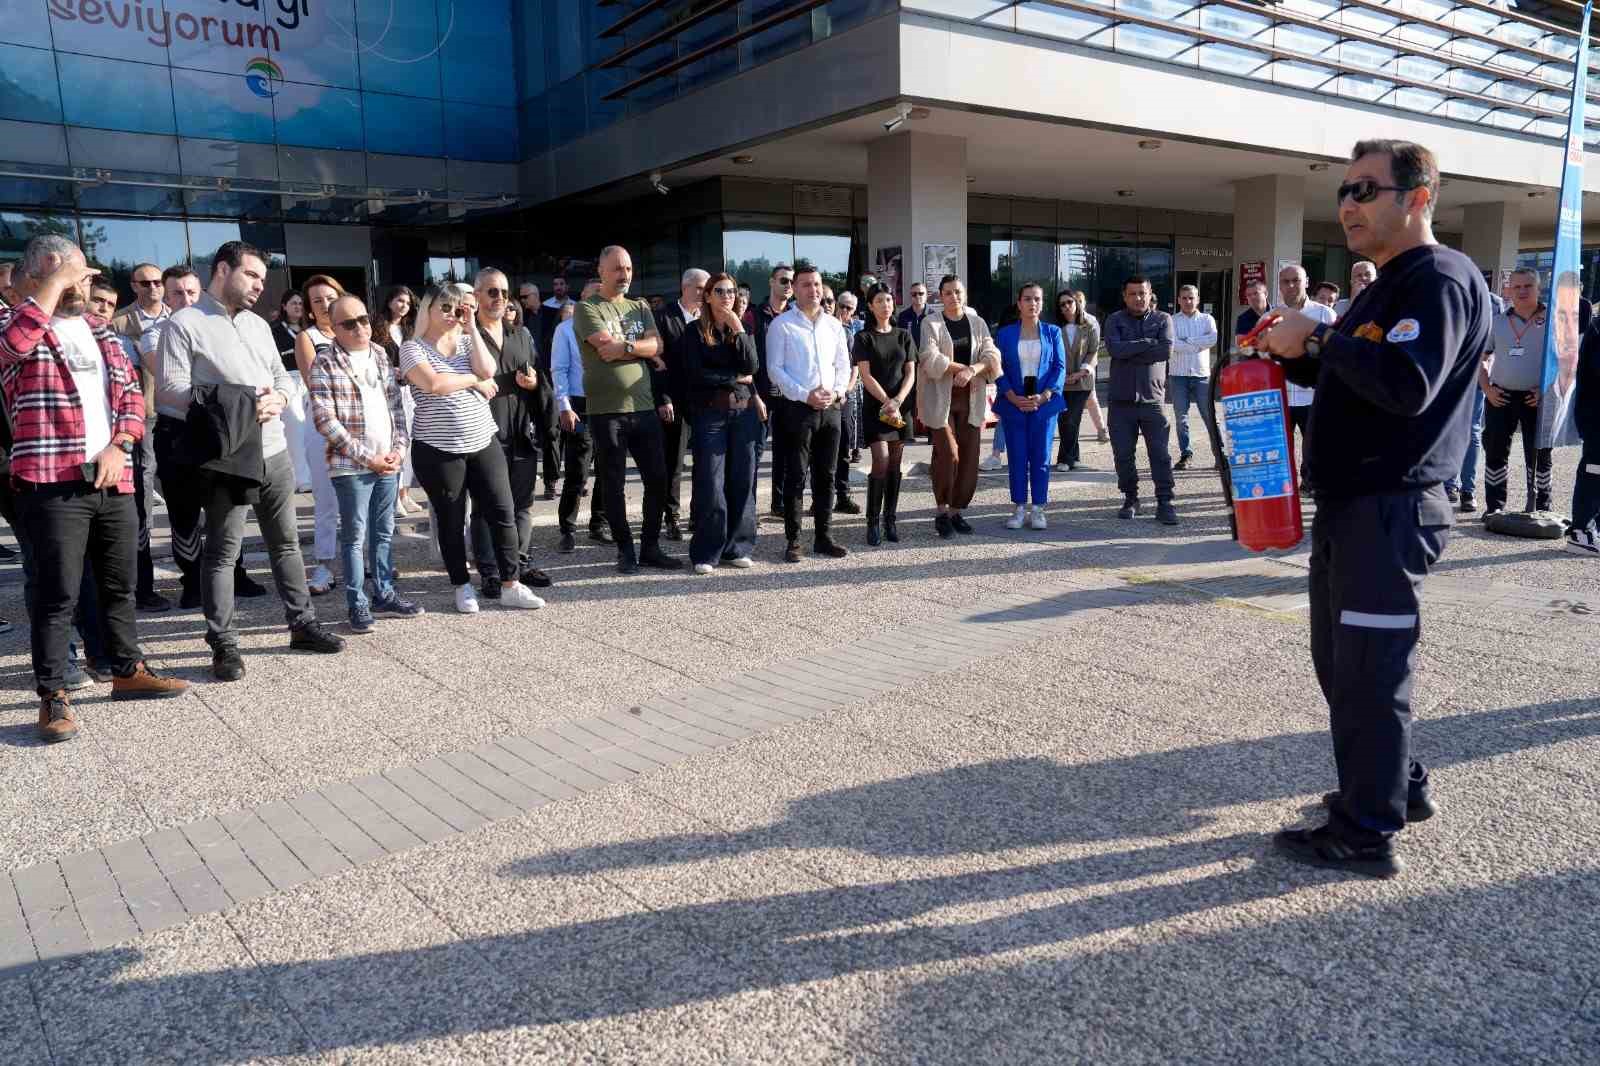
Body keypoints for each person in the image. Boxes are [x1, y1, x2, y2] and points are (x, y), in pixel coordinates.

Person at [1256, 138, 1492, 878]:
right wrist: (1301, 353)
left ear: (1419, 197)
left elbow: (1407, 383)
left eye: (1366, 190)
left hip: (1392, 510)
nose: (1349, 204)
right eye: (1344, 192)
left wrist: (1320, 335)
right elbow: (1362, 374)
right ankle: (1397, 786)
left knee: (1369, 669)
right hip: (1355, 508)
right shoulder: (1386, 285)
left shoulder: (1439, 279)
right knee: (1344, 665)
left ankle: (1364, 834)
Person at [1, 236, 189, 740]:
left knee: (118, 583)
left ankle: (126, 671)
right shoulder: (12, 321)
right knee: (57, 592)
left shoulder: (100, 331)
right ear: (47, 269)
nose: (86, 283)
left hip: (113, 477)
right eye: (78, 274)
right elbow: (12, 348)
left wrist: (120, 445)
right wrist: (56, 282)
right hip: (51, 479)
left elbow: (130, 394)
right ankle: (53, 694)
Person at [156, 241, 346, 681]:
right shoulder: (183, 324)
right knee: (223, 552)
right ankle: (223, 645)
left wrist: (278, 395)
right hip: (227, 456)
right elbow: (169, 393)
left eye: (264, 278)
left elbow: (281, 378)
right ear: (223, 269)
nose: (261, 285)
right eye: (253, 275)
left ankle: (301, 624)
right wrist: (241, 405)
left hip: (275, 449)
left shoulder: (260, 325)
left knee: (286, 544)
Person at [401, 282, 547, 611]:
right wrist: (474, 382)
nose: (453, 314)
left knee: (503, 511)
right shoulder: (414, 348)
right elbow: (435, 384)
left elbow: (488, 369)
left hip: (482, 439)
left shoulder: (468, 340)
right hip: (437, 447)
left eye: (459, 308)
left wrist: (472, 330)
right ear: (428, 309)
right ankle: (461, 584)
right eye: (445, 308)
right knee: (452, 519)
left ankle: (511, 583)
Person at [309, 295, 423, 632]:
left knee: (384, 532)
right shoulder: (325, 362)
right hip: (351, 466)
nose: (360, 327)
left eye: (363, 319)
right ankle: (357, 603)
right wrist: (367, 457)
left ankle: (384, 594)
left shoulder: (380, 354)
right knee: (355, 537)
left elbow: (396, 408)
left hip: (388, 461)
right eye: (349, 323)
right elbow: (324, 420)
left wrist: (399, 450)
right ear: (333, 327)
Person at [573, 246, 683, 574]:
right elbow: (605, 349)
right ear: (602, 270)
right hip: (607, 411)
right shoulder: (586, 308)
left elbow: (658, 346)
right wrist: (642, 351)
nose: (625, 275)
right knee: (613, 482)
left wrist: (628, 347)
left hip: (644, 406)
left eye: (629, 269)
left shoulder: (640, 307)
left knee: (658, 479)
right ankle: (625, 550)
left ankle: (650, 547)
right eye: (618, 268)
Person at [466, 268, 552, 597]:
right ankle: (490, 571)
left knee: (522, 505)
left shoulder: (520, 335)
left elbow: (535, 375)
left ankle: (518, 563)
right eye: (491, 292)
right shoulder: (466, 337)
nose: (498, 298)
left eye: (503, 292)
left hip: (521, 431)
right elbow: (468, 381)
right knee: (487, 507)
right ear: (475, 297)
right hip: (484, 434)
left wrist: (532, 384)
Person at [91, 278, 169, 613]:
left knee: (137, 513)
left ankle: (142, 587)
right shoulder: (60, 338)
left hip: (123, 444)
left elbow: (132, 397)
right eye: (96, 300)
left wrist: (123, 440)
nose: (101, 309)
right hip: (77, 451)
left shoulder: (119, 343)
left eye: (108, 304)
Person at [767, 261, 853, 562]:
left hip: (830, 410)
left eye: (817, 284)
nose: (813, 290)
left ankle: (824, 537)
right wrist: (806, 395)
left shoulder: (834, 325)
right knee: (795, 476)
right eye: (806, 284)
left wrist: (839, 392)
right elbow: (775, 370)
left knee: (826, 475)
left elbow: (843, 365)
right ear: (795, 289)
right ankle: (794, 540)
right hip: (797, 410)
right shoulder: (782, 325)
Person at [683, 272, 760, 572]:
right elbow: (696, 374)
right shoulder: (694, 332)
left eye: (731, 291)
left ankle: (737, 547)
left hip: (743, 413)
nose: (727, 296)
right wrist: (734, 378)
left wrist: (739, 328)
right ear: (708, 296)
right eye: (720, 291)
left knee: (743, 478)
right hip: (710, 415)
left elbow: (753, 366)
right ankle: (706, 551)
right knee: (711, 482)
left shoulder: (738, 328)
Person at [919, 274, 1002, 538]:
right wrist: (961, 369)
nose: (954, 297)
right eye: (948, 293)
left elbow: (992, 354)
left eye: (958, 292)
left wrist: (974, 369)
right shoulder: (930, 323)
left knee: (969, 456)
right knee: (948, 452)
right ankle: (941, 510)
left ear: (964, 294)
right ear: (940, 296)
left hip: (972, 397)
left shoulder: (977, 323)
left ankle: (956, 510)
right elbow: (929, 357)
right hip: (942, 398)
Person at [1104, 275, 1179, 525]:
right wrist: (1147, 343)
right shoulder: (1115, 320)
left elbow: (1164, 351)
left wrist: (1131, 349)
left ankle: (1165, 501)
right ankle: (1130, 497)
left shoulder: (1163, 319)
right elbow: (1115, 350)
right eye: (1133, 293)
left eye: (1142, 293)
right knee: (1123, 455)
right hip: (1120, 402)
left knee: (1159, 454)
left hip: (1153, 401)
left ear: (1150, 294)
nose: (1138, 298)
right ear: (1125, 296)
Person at [1478, 268, 1553, 516]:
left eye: (1528, 286)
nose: (1521, 291)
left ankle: (1542, 506)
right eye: (1517, 286)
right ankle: (1495, 506)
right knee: (1496, 451)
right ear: (1509, 290)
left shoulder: (1552, 320)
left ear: (1538, 289)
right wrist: (1487, 389)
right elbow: (1479, 359)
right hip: (1501, 396)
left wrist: (1546, 390)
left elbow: (1565, 361)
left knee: (1539, 454)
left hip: (1537, 398)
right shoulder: (1497, 321)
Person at [993, 283, 1067, 531]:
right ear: (1019, 303)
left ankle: (1038, 509)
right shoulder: (1004, 334)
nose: (1032, 303)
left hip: (1043, 405)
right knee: (1017, 456)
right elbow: (996, 367)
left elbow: (1059, 367)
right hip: (1014, 403)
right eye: (1027, 299)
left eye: (1037, 299)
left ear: (1042, 303)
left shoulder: (1053, 332)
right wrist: (1012, 396)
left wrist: (1045, 395)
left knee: (1041, 457)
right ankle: (1019, 508)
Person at [293, 275, 348, 595]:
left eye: (331, 297)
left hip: (361, 428)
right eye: (317, 301)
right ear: (310, 310)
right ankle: (325, 567)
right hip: (324, 428)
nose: (326, 304)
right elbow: (317, 381)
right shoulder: (308, 337)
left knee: (362, 501)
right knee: (327, 501)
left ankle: (367, 562)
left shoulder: (357, 332)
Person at [854, 282, 916, 546]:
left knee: (895, 464)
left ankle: (890, 519)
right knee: (880, 459)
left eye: (888, 300)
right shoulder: (863, 338)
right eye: (879, 300)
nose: (885, 305)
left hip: (901, 408)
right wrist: (887, 401)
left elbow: (911, 372)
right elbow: (865, 376)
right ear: (870, 305)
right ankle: (872, 521)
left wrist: (898, 400)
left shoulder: (904, 335)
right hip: (876, 408)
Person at [651, 268, 709, 542]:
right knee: (673, 462)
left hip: (703, 402)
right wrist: (663, 398)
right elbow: (656, 363)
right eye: (699, 288)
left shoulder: (708, 318)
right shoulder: (663, 317)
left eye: (706, 288)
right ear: (684, 287)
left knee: (704, 460)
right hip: (673, 401)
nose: (703, 293)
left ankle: (698, 515)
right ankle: (671, 516)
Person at [553, 279, 609, 553]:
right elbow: (559, 369)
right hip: (579, 404)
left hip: (610, 403)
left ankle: (598, 525)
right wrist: (564, 405)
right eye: (591, 296)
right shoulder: (565, 330)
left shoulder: (612, 327)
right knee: (578, 471)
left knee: (608, 469)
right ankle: (567, 529)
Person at [1274, 264, 1337, 495]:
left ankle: (1310, 481)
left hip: (1313, 396)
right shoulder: (1273, 316)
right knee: (1281, 446)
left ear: (1307, 282)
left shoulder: (1324, 314)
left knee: (1314, 446)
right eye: (1285, 281)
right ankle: (1285, 486)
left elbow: (1335, 356)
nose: (1290, 286)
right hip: (1281, 394)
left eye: (1296, 281)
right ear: (1279, 285)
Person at [374, 284, 421, 516]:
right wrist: (390, 370)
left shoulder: (410, 329)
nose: (404, 306)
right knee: (394, 441)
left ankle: (405, 493)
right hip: (386, 390)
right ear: (390, 300)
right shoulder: (377, 326)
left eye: (408, 303)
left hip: (408, 390)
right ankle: (393, 497)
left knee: (408, 442)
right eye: (400, 301)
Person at [755, 264, 794, 518]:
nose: (788, 285)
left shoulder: (796, 315)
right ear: (771, 282)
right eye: (783, 280)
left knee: (786, 452)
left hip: (789, 394)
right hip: (760, 394)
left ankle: (779, 504)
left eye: (791, 281)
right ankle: (749, 511)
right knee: (755, 454)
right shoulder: (755, 315)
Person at [1168, 284, 1217, 471]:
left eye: (1191, 298)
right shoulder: (1171, 320)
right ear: (1179, 299)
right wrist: (1197, 343)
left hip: (1201, 375)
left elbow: (1212, 339)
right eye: (1184, 298)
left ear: (1197, 299)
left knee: (1210, 416)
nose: (1188, 301)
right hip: (1178, 376)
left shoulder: (1207, 319)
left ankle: (1219, 455)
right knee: (1181, 419)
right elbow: (1172, 345)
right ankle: (1185, 454)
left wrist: (1186, 341)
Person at [1053, 290, 1103, 471]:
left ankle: (1065, 460)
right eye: (1062, 304)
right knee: (1064, 419)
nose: (1066, 307)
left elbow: (1093, 351)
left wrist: (1081, 372)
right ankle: (1072, 456)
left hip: (1082, 382)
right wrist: (1062, 376)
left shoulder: (1089, 326)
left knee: (1072, 419)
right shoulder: (1055, 328)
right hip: (1061, 381)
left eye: (1069, 302)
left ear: (1077, 303)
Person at [1566, 312, 1600, 555]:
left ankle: (1593, 527)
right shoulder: (1598, 327)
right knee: (1594, 470)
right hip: (1596, 417)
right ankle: (1581, 531)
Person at [832, 290, 864, 514]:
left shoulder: (847, 333)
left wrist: (846, 391)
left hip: (843, 397)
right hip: (820, 399)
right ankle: (819, 498)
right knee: (821, 452)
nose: (843, 311)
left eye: (848, 308)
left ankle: (843, 496)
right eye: (840, 306)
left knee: (843, 449)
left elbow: (854, 368)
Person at [269, 290, 305, 372]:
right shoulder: (275, 329)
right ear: (284, 306)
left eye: (300, 304)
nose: (298, 307)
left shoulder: (310, 328)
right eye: (294, 303)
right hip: (288, 375)